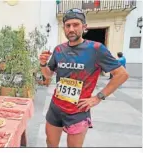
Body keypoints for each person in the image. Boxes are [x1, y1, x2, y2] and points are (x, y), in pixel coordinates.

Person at [39, 8, 129, 147]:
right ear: (64, 28)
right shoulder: (59, 49)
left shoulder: (96, 49)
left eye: (76, 24)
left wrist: (98, 97)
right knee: (50, 144)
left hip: (78, 112)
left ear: (84, 27)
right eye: (68, 25)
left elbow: (122, 74)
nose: (71, 29)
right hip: (56, 108)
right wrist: (43, 63)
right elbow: (48, 75)